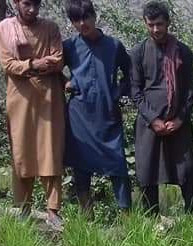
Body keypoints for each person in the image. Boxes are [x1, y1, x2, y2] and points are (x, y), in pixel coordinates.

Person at [0, 0, 65, 230]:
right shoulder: (3, 28)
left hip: (49, 98)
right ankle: (24, 207)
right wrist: (35, 63)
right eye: (26, 3)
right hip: (20, 98)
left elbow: (57, 60)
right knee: (22, 151)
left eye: (36, 3)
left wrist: (28, 66)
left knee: (50, 151)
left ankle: (53, 210)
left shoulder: (51, 28)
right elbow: (8, 65)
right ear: (15, 2)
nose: (32, 9)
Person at [130, 1, 193, 215]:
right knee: (148, 173)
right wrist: (153, 120)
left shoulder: (183, 52)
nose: (156, 29)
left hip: (178, 123)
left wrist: (179, 119)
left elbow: (190, 90)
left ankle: (190, 221)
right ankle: (151, 223)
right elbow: (135, 90)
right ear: (145, 23)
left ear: (168, 23)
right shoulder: (139, 52)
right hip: (150, 125)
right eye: (151, 25)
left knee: (187, 172)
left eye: (159, 24)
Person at [63, 0, 132, 213]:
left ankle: (127, 214)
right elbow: (53, 70)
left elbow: (130, 75)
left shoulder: (113, 46)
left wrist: (116, 93)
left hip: (107, 114)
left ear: (94, 16)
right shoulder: (70, 46)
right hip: (79, 115)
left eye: (86, 17)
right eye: (76, 19)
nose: (82, 23)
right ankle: (87, 212)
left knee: (117, 163)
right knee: (80, 164)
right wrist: (66, 82)